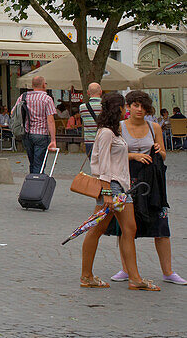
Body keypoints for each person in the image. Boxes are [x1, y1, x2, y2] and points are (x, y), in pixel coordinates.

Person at [80, 92, 160, 290]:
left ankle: (134, 278)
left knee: (128, 229)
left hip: (120, 187)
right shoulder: (107, 132)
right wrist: (107, 192)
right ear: (118, 109)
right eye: (124, 106)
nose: (127, 109)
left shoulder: (113, 131)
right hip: (112, 187)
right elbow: (102, 164)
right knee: (97, 229)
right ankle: (87, 275)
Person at [105, 91, 185, 286]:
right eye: (135, 105)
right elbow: (112, 156)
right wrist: (133, 156)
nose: (139, 110)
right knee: (126, 227)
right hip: (128, 179)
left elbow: (164, 154)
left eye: (143, 106)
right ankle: (126, 268)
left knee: (161, 225)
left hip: (153, 181)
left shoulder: (154, 127)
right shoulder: (119, 128)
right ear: (128, 107)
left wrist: (160, 151)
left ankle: (168, 271)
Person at [14, 75, 58, 174]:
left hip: (27, 133)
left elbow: (14, 112)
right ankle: (37, 182)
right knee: (39, 163)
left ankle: (32, 181)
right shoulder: (47, 99)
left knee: (32, 162)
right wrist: (53, 139)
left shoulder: (24, 97)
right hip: (42, 134)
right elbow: (50, 120)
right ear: (43, 85)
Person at [79, 82, 103, 158]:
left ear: (88, 93)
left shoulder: (82, 107)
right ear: (101, 92)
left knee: (93, 164)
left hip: (89, 140)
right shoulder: (105, 106)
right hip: (103, 140)